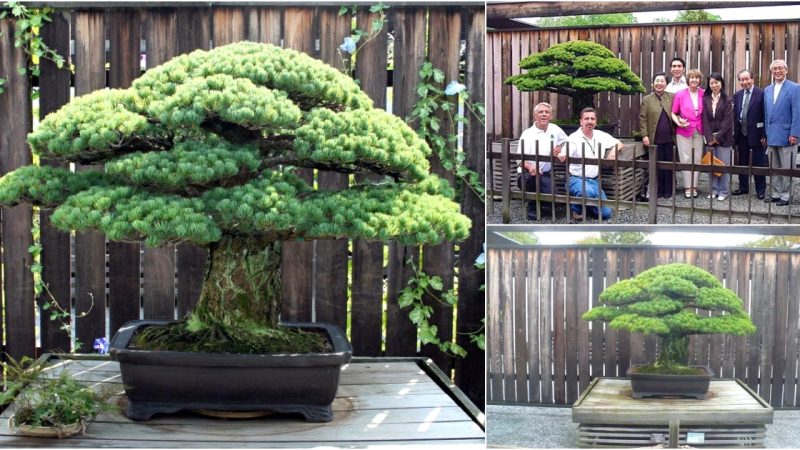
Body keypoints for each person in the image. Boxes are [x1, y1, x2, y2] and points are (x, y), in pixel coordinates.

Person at [566, 107, 623, 221]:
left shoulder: (600, 135)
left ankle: (585, 203)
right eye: (586, 118)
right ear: (581, 121)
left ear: (596, 121)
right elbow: (565, 153)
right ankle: (577, 209)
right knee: (587, 192)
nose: (590, 121)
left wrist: (613, 151)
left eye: (592, 119)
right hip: (577, 179)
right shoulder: (573, 138)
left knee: (606, 214)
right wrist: (562, 153)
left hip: (594, 181)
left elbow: (619, 143)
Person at [516, 102, 568, 220]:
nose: (544, 115)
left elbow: (568, 140)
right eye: (541, 112)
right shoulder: (528, 134)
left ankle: (543, 206)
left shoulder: (555, 129)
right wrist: (529, 167)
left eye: (547, 112)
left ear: (551, 116)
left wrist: (560, 146)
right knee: (535, 181)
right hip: (527, 175)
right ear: (535, 116)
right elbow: (519, 159)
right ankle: (532, 208)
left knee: (556, 200)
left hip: (545, 174)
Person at [763, 59, 800, 206]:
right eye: (774, 69)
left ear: (786, 70)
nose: (777, 72)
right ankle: (775, 193)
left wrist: (795, 133)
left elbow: (797, 112)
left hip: (787, 135)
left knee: (787, 167)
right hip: (772, 134)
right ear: (771, 72)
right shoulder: (767, 89)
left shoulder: (794, 88)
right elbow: (766, 114)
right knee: (774, 166)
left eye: (780, 68)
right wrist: (766, 133)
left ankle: (786, 195)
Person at [639, 72, 676, 198]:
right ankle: (658, 190)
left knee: (670, 164)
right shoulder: (647, 100)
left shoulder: (672, 97)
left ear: (666, 84)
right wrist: (644, 135)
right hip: (655, 138)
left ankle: (669, 190)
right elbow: (642, 118)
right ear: (652, 84)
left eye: (662, 81)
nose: (659, 83)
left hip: (670, 138)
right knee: (657, 165)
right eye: (657, 81)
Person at [732, 69, 767, 199]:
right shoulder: (737, 95)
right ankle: (743, 187)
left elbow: (765, 115)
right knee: (742, 162)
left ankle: (760, 190)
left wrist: (765, 134)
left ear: (752, 79)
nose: (744, 82)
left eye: (747, 79)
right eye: (742, 80)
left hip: (757, 134)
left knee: (759, 163)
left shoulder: (761, 94)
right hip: (742, 134)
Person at [671, 68, 705, 198]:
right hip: (683, 130)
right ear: (688, 80)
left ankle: (694, 186)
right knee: (685, 158)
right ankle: (687, 187)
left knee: (697, 159)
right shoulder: (680, 94)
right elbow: (673, 112)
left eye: (697, 77)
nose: (694, 80)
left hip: (699, 130)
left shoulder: (704, 94)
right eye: (692, 77)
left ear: (700, 80)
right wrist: (678, 122)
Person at [701, 72, 734, 201]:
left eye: (716, 82)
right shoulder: (705, 99)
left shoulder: (728, 100)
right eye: (712, 83)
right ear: (709, 85)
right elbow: (705, 120)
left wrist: (717, 137)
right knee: (712, 165)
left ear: (722, 83)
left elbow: (728, 122)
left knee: (723, 165)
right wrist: (709, 138)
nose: (714, 85)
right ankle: (713, 189)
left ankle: (724, 191)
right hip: (709, 139)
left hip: (724, 138)